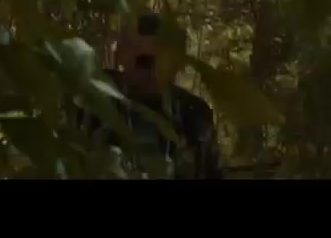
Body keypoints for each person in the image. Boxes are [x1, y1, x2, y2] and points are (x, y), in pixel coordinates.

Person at [77, 12, 223, 179]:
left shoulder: (193, 113)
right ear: (121, 55)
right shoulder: (95, 104)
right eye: (141, 60)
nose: (149, 70)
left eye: (154, 60)